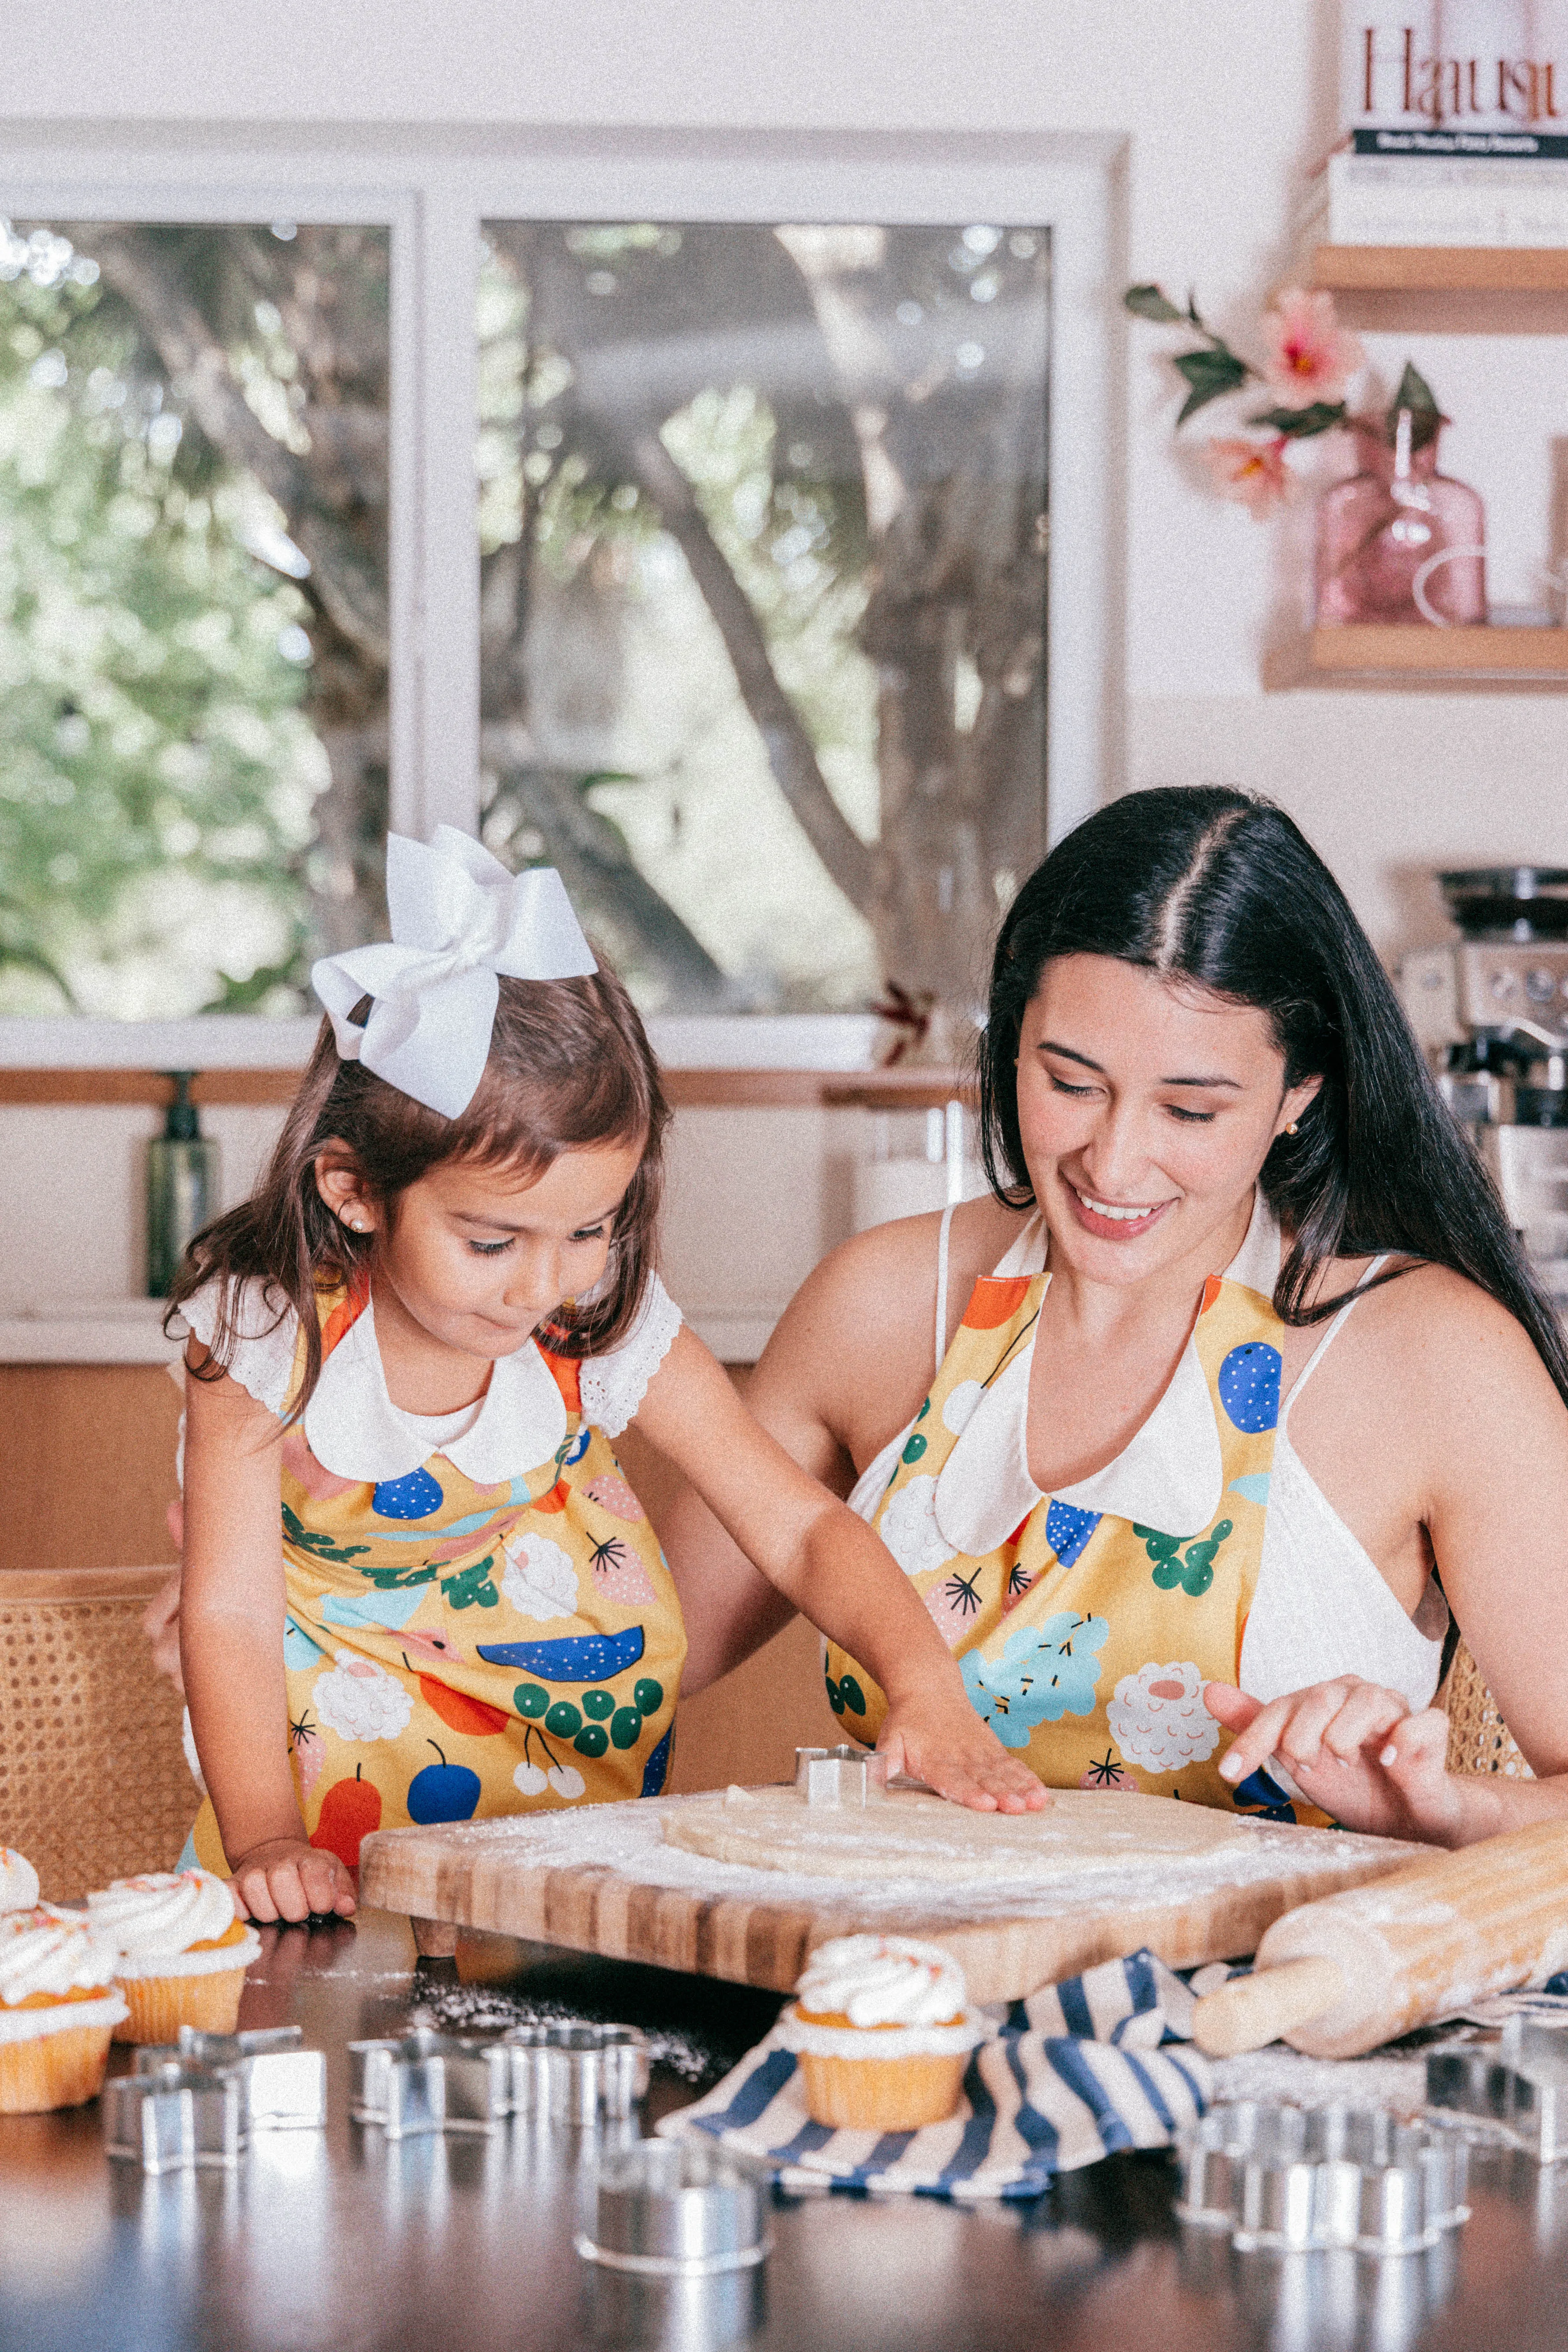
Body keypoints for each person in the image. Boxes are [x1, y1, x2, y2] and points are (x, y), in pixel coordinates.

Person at [664, 787, 1568, 1847]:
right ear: (1011, 1044)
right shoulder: (882, 1306)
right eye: (1071, 1081)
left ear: (1300, 1094)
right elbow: (644, 1650)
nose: (1114, 1161)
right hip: (904, 1996)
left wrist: (1448, 1807)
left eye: (1191, 1110)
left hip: (1261, 2007)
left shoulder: (1432, 1360)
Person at [170, 827, 1041, 1929]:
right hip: (320, 1869)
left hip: (559, 1849)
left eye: (591, 1225)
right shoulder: (266, 1331)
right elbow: (235, 1612)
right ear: (354, 1190)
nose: (545, 1280)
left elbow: (800, 1528)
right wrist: (266, 1840)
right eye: (493, 1242)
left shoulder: (602, 1318)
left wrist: (922, 1680)